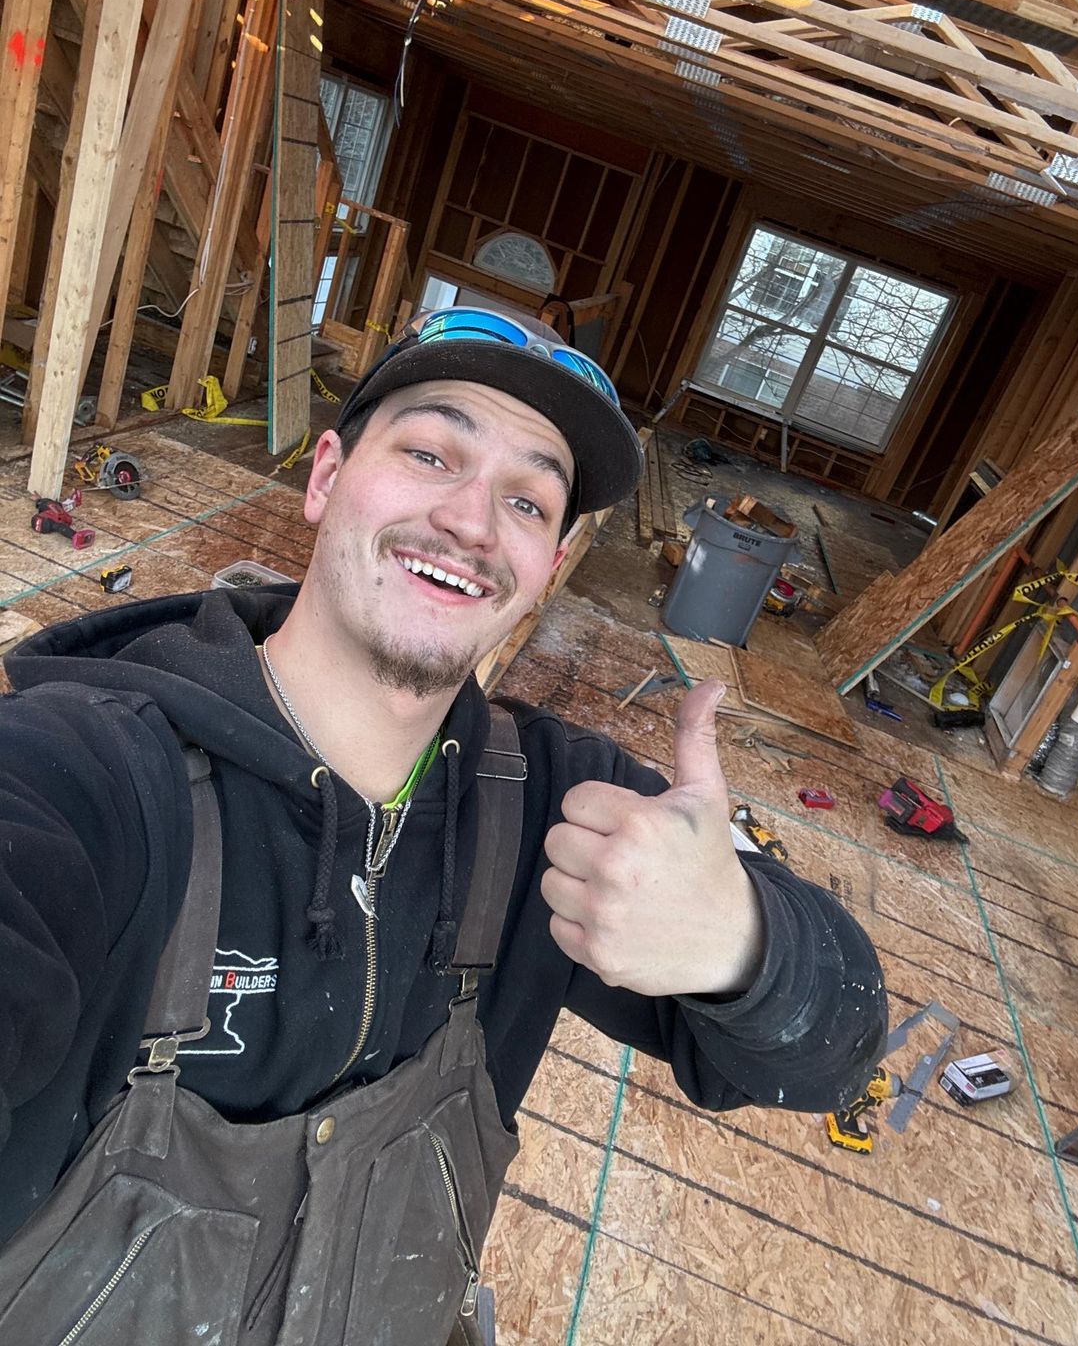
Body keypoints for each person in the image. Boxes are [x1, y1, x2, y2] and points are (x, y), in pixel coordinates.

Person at [0, 306, 885, 1343]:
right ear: (325, 478)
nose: (472, 521)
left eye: (526, 500)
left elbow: (838, 1044)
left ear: (546, 572)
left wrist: (745, 944)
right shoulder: (97, 774)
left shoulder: (552, 804)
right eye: (430, 452)